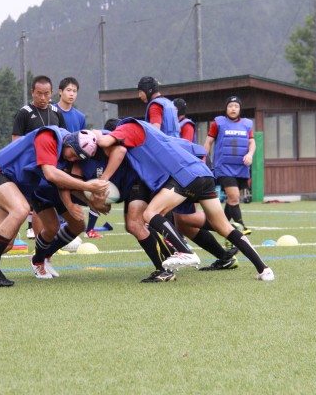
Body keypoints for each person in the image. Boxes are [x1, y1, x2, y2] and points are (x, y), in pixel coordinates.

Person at [95, 118, 274, 281]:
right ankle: (264, 269)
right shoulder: (152, 133)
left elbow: (104, 141)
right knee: (223, 227)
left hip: (184, 175)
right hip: (203, 172)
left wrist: (94, 134)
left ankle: (185, 252)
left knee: (150, 214)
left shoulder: (127, 127)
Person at [0, 127, 105, 287]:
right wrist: (89, 187)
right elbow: (51, 174)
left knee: (5, 244)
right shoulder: (48, 137)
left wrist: (92, 203)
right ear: (70, 144)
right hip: (0, 175)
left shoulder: (65, 149)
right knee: (21, 209)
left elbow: (62, 182)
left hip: (16, 187)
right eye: (74, 155)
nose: (73, 160)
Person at [12, 75, 67, 240]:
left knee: (50, 204)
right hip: (32, 168)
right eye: (39, 93)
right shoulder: (24, 113)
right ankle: (39, 244)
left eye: (46, 93)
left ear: (52, 93)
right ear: (32, 92)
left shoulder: (56, 112)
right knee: (39, 205)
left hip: (53, 167)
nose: (43, 98)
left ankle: (47, 243)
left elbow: (64, 138)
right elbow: (16, 142)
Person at [55, 76, 102, 239]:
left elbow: (84, 140)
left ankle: (86, 228)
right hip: (57, 160)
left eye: (74, 91)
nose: (71, 94)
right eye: (68, 90)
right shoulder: (52, 111)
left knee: (77, 190)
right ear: (60, 92)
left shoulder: (80, 116)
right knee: (54, 193)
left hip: (74, 161)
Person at [203, 96, 254, 236]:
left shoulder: (247, 124)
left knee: (232, 200)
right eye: (230, 106)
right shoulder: (218, 123)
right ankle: (241, 226)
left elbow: (252, 142)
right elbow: (208, 142)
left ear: (240, 109)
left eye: (236, 106)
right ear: (226, 108)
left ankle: (220, 225)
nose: (233, 108)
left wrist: (250, 154)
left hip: (241, 167)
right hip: (224, 167)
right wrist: (203, 160)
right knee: (234, 196)